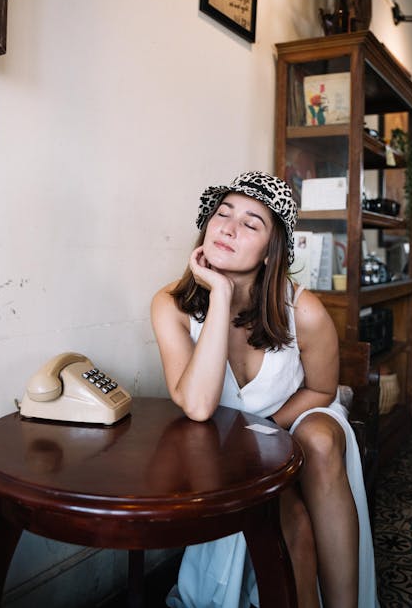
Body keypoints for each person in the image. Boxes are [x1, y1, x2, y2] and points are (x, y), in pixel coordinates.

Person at [151, 171, 380, 608]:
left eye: (252, 223)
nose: (230, 228)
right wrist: (218, 293)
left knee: (320, 438)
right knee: (291, 522)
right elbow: (198, 407)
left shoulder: (304, 310)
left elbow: (322, 389)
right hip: (222, 440)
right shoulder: (171, 306)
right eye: (223, 214)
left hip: (294, 417)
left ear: (271, 252)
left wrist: (268, 430)